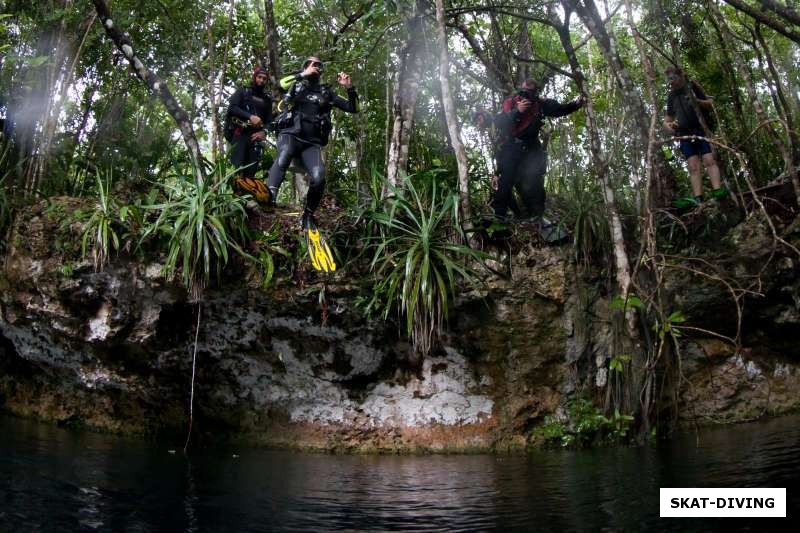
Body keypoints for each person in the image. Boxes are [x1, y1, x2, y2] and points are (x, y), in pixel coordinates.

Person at [267, 56, 358, 229]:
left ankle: (308, 215)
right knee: (283, 156)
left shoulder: (326, 92)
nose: (315, 66)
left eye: (318, 65)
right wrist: (303, 74)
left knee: (318, 176)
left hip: (312, 143)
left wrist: (349, 88)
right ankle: (269, 198)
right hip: (290, 135)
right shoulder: (296, 83)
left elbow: (354, 108)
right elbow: (280, 84)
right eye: (312, 64)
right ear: (305, 66)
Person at [493, 79, 584, 221]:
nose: (527, 95)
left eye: (531, 91)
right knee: (505, 182)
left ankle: (537, 216)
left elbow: (559, 109)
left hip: (531, 147)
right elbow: (499, 122)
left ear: (535, 92)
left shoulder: (540, 104)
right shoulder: (511, 102)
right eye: (525, 91)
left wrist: (576, 104)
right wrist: (517, 111)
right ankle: (498, 219)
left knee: (535, 180)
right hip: (511, 147)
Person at [663, 65, 725, 206]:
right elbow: (668, 119)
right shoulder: (671, 96)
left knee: (709, 159)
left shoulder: (692, 86)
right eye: (669, 79)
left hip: (700, 129)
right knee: (692, 165)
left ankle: (718, 191)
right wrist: (668, 126)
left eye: (673, 77)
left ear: (680, 75)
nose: (671, 81)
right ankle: (699, 198)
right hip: (684, 133)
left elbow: (710, 103)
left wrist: (697, 102)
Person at [226, 66, 273, 203]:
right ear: (255, 77)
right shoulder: (243, 91)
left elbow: (270, 121)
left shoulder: (267, 99)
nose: (261, 80)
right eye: (259, 77)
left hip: (255, 139)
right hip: (240, 134)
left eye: (264, 78)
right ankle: (232, 200)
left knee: (250, 172)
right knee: (236, 168)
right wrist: (250, 116)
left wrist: (264, 132)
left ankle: (247, 201)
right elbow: (232, 108)